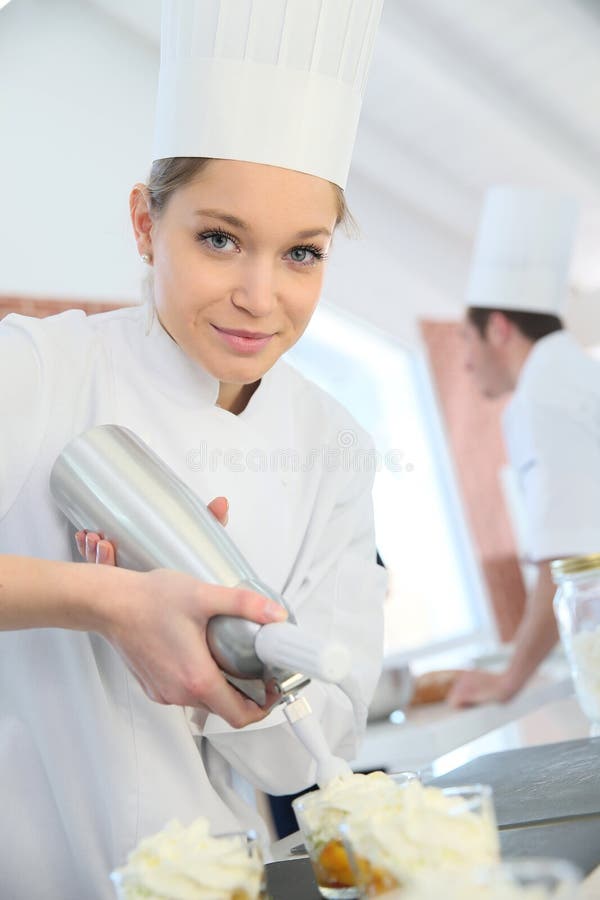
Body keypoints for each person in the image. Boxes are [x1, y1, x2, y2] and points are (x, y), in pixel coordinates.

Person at [0, 2, 386, 897]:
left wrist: (233, 660)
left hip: (219, 877)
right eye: (219, 239)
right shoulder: (38, 373)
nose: (260, 295)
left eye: (301, 253)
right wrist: (103, 599)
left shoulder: (333, 446)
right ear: (144, 224)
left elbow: (313, 752)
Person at [449, 185, 600, 708]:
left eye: (466, 340)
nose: (465, 363)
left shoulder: (543, 398)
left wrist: (508, 680)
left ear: (499, 328)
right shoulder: (575, 375)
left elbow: (565, 566)